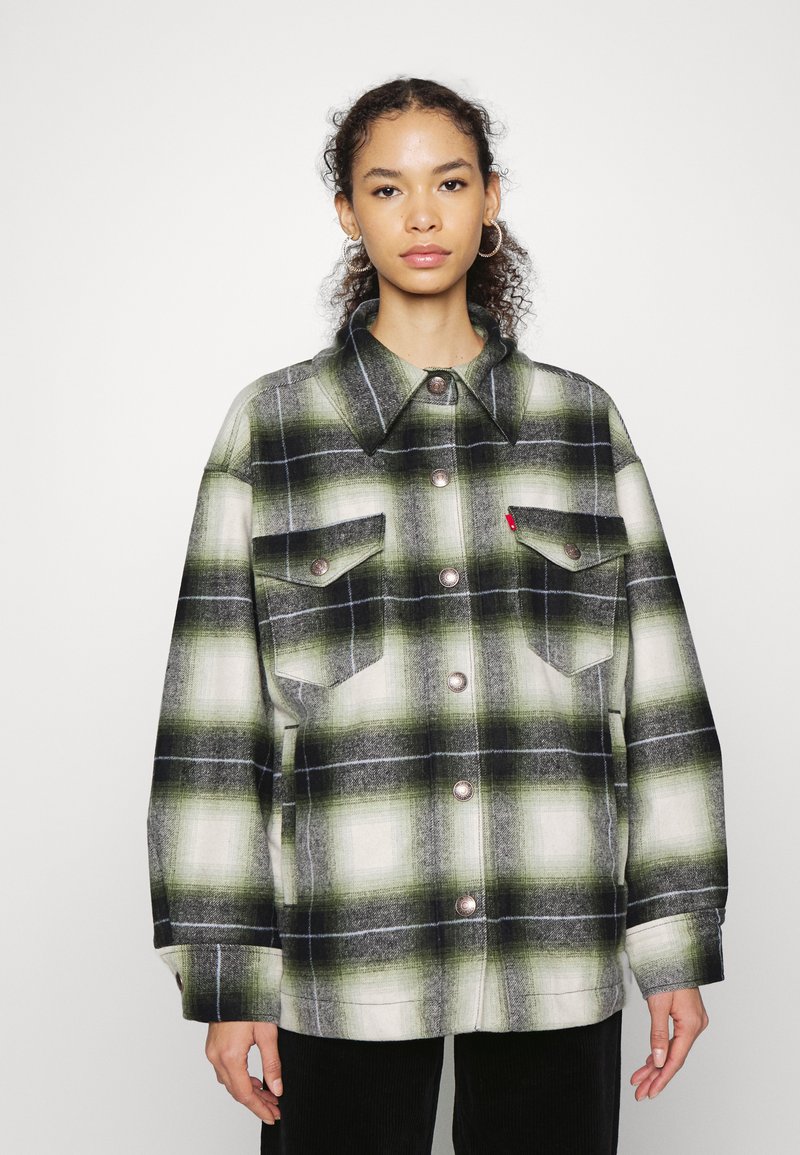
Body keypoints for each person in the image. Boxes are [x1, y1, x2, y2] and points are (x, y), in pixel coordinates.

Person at [146, 77, 728, 1154]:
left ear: (489, 197)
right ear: (347, 213)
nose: (420, 214)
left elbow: (660, 702)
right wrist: (226, 977)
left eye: (449, 182)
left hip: (551, 940)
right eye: (386, 188)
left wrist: (675, 942)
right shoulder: (273, 427)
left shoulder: (580, 423)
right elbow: (214, 727)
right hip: (342, 953)